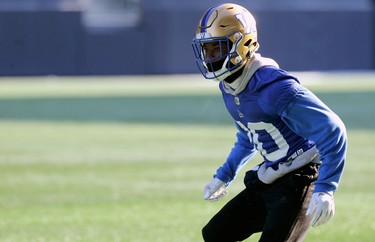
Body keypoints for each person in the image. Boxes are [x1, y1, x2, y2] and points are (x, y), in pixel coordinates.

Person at [191, 3, 347, 242]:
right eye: (206, 50)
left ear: (242, 45)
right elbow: (248, 137)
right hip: (271, 177)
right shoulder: (230, 85)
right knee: (215, 234)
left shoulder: (276, 88)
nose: (209, 58)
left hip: (299, 181)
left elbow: (333, 130)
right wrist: (224, 175)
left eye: (216, 49)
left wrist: (326, 187)